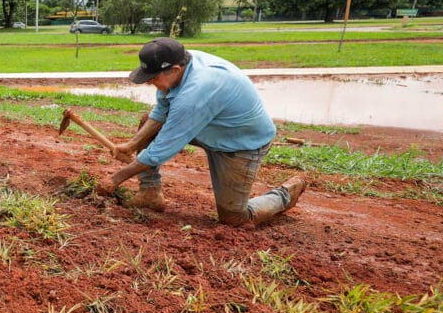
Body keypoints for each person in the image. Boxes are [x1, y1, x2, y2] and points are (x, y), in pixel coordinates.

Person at [101, 37, 306, 226]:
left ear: (174, 69)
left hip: (241, 144)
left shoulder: (196, 91)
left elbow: (161, 149)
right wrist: (131, 144)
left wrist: (114, 179)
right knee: (149, 121)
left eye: (153, 77)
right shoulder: (181, 66)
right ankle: (150, 193)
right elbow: (162, 111)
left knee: (234, 218)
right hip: (211, 128)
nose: (148, 82)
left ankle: (284, 195)